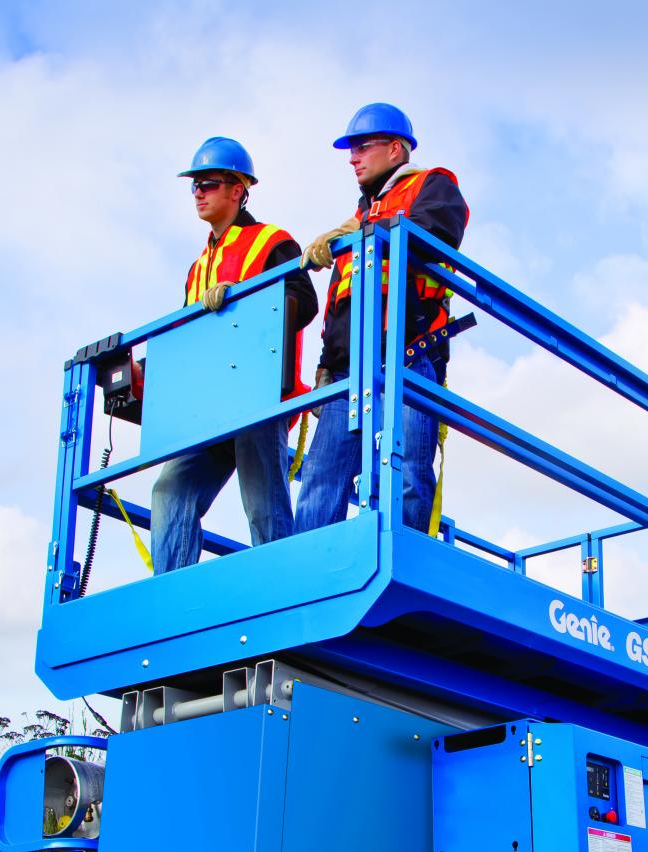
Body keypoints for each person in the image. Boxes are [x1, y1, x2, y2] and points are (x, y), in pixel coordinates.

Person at [295, 103, 468, 536]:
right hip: (346, 370)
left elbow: (436, 232)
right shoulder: (359, 218)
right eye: (350, 150)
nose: (352, 158)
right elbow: (339, 300)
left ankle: (402, 557)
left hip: (409, 355)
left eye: (362, 147)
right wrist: (323, 364)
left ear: (395, 149)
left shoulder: (433, 186)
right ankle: (306, 574)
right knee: (321, 478)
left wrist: (363, 229)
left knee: (406, 472)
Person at [150, 137, 319, 573]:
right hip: (210, 407)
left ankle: (280, 590)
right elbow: (187, 339)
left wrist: (241, 303)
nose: (198, 193)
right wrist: (141, 372)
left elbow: (303, 299)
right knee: (170, 490)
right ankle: (172, 595)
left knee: (264, 507)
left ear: (238, 188)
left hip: (259, 397)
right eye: (194, 186)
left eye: (207, 183)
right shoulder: (197, 267)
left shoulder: (271, 241)